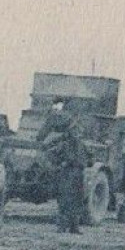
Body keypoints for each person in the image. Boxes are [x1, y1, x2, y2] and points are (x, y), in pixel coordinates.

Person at [40, 100, 90, 234]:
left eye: (78, 131)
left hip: (78, 174)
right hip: (66, 174)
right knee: (64, 201)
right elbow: (51, 155)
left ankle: (74, 227)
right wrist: (60, 165)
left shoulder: (82, 145)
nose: (77, 133)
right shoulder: (63, 145)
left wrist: (86, 164)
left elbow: (90, 158)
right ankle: (62, 227)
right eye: (75, 131)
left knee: (77, 201)